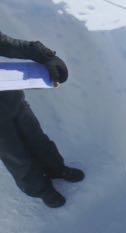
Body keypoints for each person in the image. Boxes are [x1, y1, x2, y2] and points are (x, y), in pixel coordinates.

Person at [0, 30, 84, 208]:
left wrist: (45, 56)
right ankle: (41, 189)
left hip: (11, 98)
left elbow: (6, 43)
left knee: (37, 138)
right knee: (17, 157)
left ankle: (56, 168)